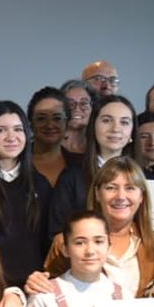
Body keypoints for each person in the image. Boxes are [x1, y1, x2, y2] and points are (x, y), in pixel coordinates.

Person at [40, 156, 154, 296]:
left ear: (141, 196)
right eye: (111, 188)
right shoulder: (64, 242)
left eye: (130, 188)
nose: (121, 196)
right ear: (97, 194)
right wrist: (37, 282)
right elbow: (49, 291)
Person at [0, 101, 53, 290]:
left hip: (32, 287)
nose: (11, 137)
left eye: (18, 129)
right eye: (1, 130)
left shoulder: (40, 184)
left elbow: (46, 241)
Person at [50, 94, 136, 233]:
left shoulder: (145, 177)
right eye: (107, 120)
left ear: (132, 131)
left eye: (124, 122)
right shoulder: (72, 177)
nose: (115, 128)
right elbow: (57, 234)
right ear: (93, 126)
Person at [28, 87, 75, 188]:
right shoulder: (15, 163)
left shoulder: (82, 165)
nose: (50, 125)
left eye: (57, 118)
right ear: (31, 123)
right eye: (41, 118)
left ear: (67, 123)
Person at [60, 80, 97, 156]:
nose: (77, 108)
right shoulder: (45, 144)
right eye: (70, 104)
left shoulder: (101, 146)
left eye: (84, 103)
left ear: (92, 107)